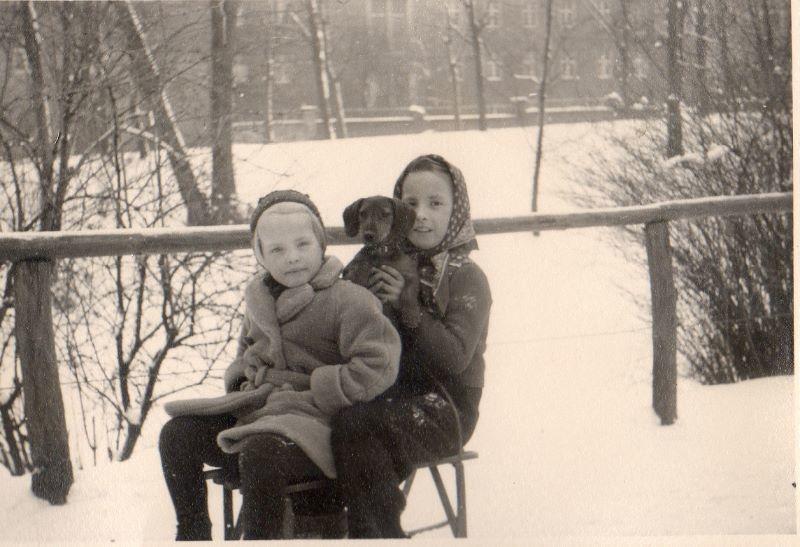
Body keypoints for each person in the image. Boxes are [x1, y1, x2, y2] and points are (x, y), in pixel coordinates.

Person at [159, 190, 400, 540]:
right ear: (261, 256)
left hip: (316, 426)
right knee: (177, 434)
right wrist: (243, 381)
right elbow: (244, 354)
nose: (293, 259)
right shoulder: (259, 300)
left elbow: (379, 363)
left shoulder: (349, 299)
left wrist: (321, 387)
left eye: (303, 245)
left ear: (321, 244)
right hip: (259, 415)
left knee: (261, 451)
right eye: (277, 250)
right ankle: (193, 533)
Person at [330, 154, 492, 538]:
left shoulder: (466, 277)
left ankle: (378, 533)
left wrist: (409, 306)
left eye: (436, 204)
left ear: (456, 211)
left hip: (445, 405)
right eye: (411, 203)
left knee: (357, 428)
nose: (421, 215)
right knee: (345, 429)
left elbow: (453, 359)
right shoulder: (378, 261)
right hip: (383, 394)